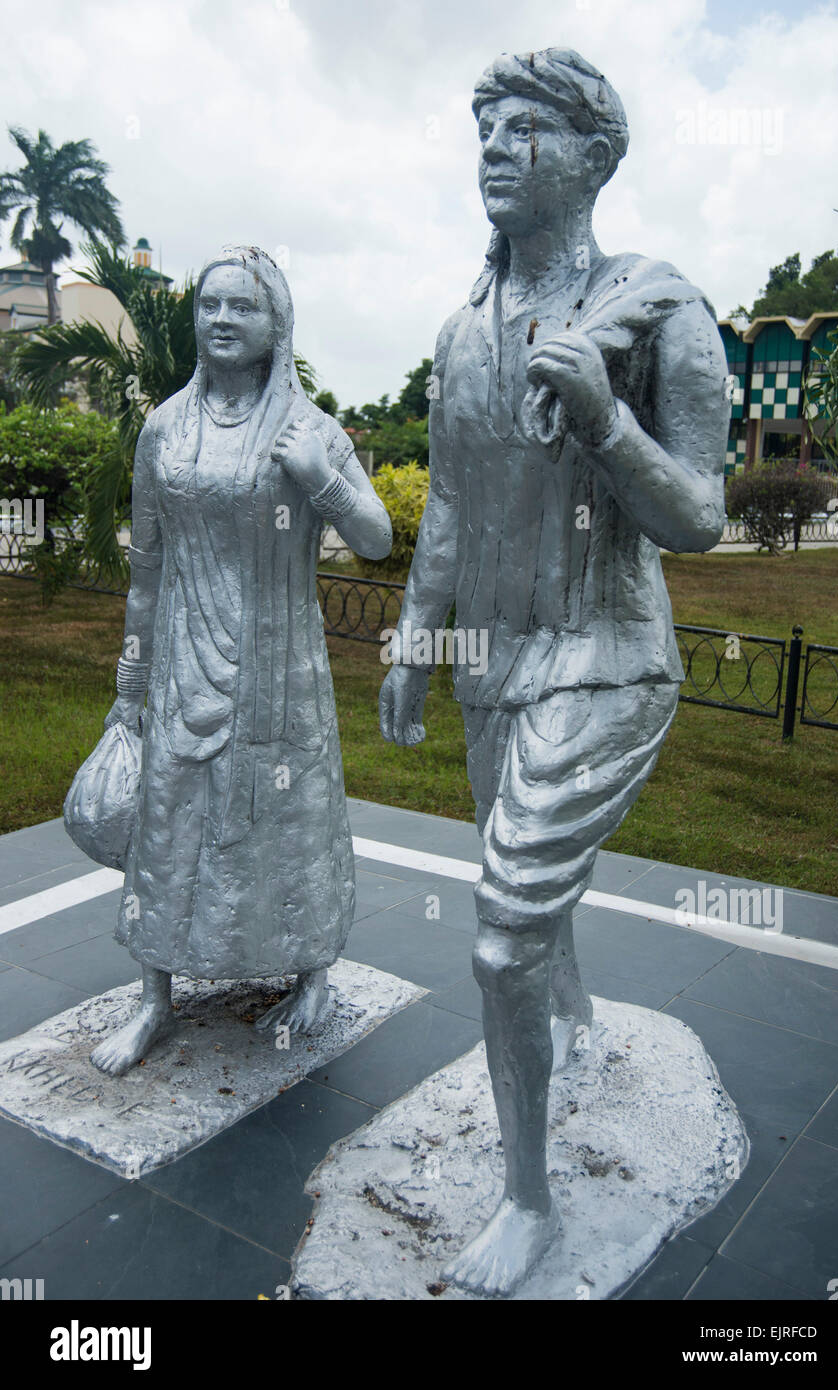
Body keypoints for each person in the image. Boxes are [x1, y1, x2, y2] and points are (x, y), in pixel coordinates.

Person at [379, 49, 729, 1296]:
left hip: (609, 659)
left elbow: (698, 516)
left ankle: (526, 1205)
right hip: (495, 662)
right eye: (485, 127)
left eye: (528, 128)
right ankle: (572, 1024)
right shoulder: (460, 332)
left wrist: (606, 417)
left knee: (503, 931)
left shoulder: (662, 313)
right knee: (519, 896)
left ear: (593, 156)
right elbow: (454, 514)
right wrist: (424, 642)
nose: (496, 148)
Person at [91, 246, 391, 1077]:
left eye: (242, 308)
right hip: (183, 653)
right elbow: (146, 563)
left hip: (279, 666)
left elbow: (375, 539)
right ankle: (154, 995)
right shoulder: (165, 426)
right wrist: (134, 673)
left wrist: (320, 479)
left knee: (288, 819)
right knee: (167, 821)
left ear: (275, 325)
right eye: (210, 305)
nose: (222, 320)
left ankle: (312, 973)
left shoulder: (308, 428)